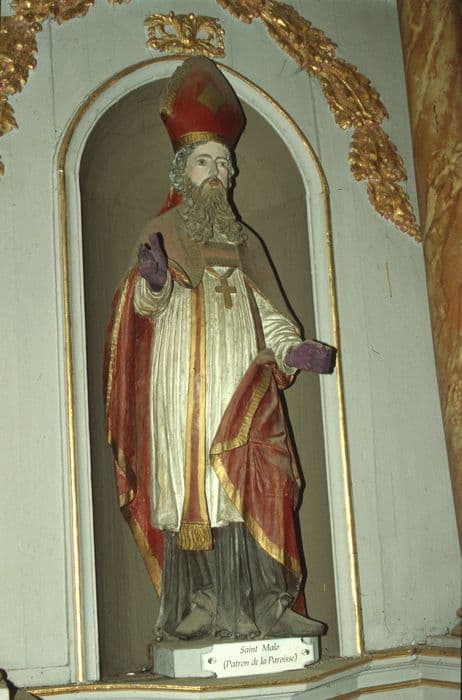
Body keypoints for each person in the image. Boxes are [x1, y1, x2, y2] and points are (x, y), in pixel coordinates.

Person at [104, 57, 336, 641]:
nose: (218, 173)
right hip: (181, 385)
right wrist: (155, 283)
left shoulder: (244, 239)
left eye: (225, 164)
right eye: (205, 161)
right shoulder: (160, 233)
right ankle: (201, 604)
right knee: (194, 488)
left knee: (261, 478)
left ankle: (269, 603)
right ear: (182, 172)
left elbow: (270, 314)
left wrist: (293, 351)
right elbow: (139, 313)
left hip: (240, 382)